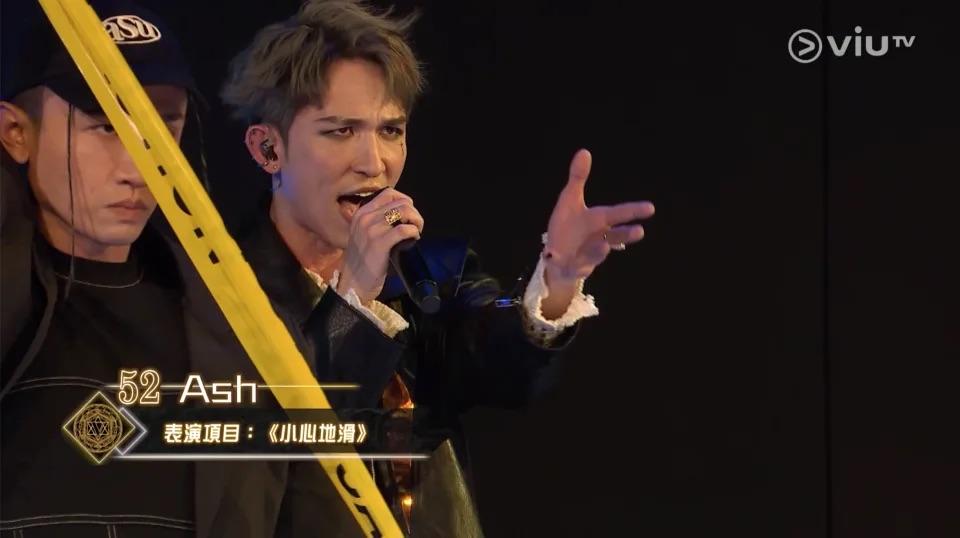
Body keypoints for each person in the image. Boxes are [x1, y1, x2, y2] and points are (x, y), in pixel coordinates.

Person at [220, 0, 656, 531]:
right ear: (268, 148)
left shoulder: (429, 273)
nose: (374, 163)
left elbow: (503, 366)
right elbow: (285, 438)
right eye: (340, 131)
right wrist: (352, 299)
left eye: (390, 131)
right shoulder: (218, 286)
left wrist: (559, 277)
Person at [0, 1, 361, 536]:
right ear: (15, 132)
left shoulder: (249, 336)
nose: (137, 165)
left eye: (162, 124)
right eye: (105, 126)